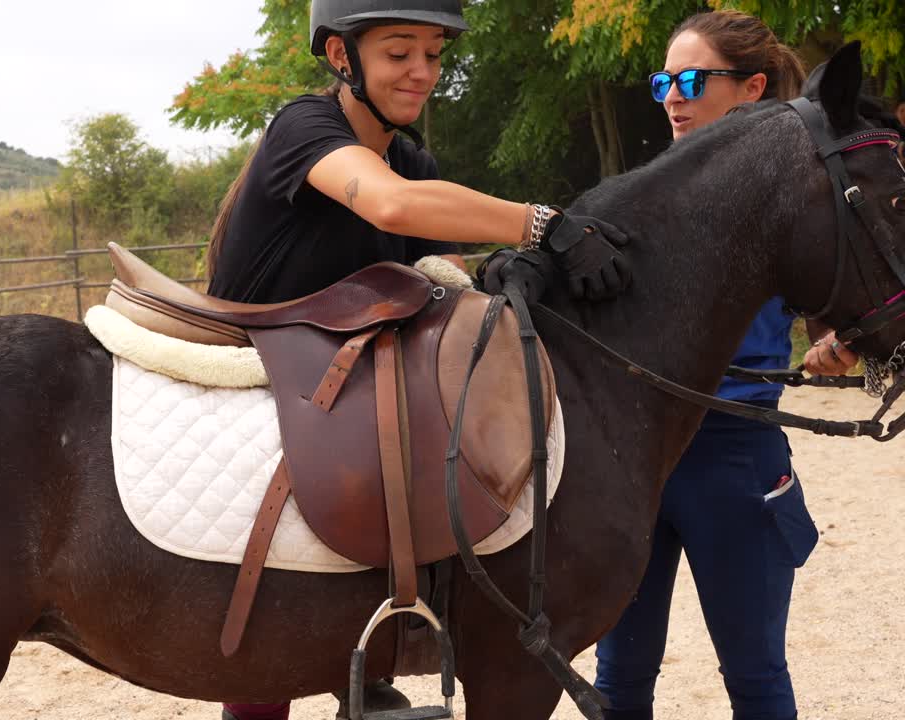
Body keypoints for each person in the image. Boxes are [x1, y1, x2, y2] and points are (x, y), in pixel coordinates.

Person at [210, 2, 632, 719]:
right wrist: (543, 225)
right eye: (399, 51)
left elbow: (425, 261)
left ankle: (396, 625)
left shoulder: (412, 157)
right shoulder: (303, 128)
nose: (422, 71)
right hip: (260, 357)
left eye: (433, 54)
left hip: (345, 363)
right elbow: (394, 209)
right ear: (344, 59)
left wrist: (508, 265)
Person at [592, 11, 857, 720]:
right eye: (662, 81)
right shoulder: (633, 198)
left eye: (690, 79)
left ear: (751, 89)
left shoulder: (798, 200)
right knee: (618, 678)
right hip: (633, 462)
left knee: (755, 677)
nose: (672, 95)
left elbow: (837, 299)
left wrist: (838, 344)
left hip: (737, 460)